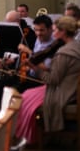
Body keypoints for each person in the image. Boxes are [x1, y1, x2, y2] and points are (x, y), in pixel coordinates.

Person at [14, 16, 80, 147]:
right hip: (71, 89)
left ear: (63, 32)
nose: (54, 34)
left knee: (25, 99)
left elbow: (52, 80)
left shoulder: (64, 53)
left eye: (55, 30)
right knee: (28, 94)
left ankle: (29, 138)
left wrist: (34, 67)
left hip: (63, 92)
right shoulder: (76, 46)